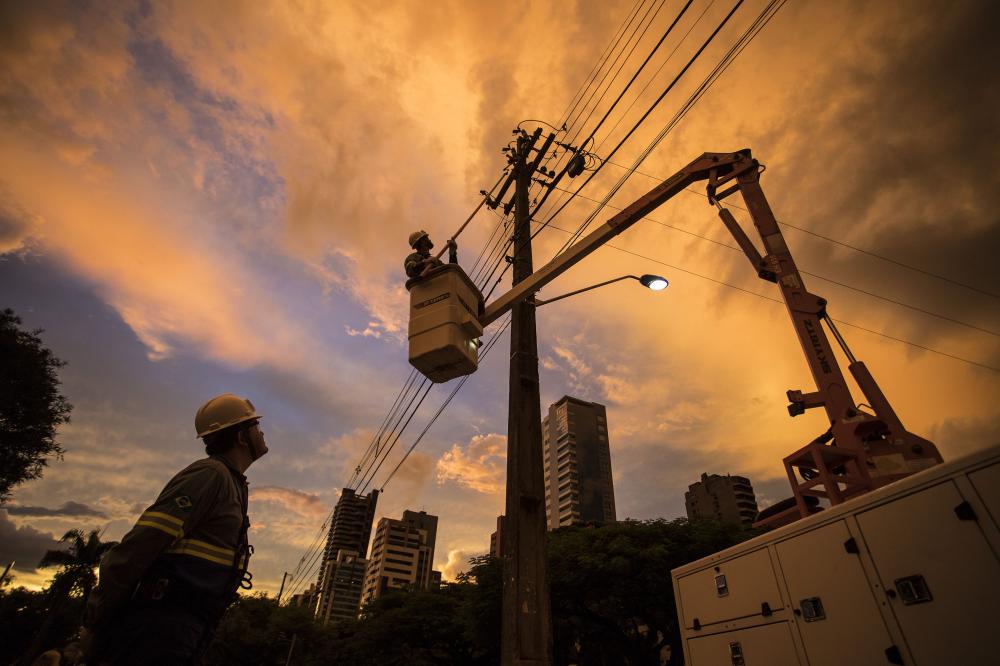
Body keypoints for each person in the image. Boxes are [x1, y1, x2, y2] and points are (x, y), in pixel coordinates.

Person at [80, 393, 268, 665]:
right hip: (160, 624)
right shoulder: (210, 475)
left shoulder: (233, 483)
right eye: (255, 427)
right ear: (241, 437)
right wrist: (96, 617)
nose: (261, 433)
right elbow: (140, 546)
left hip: (188, 624)